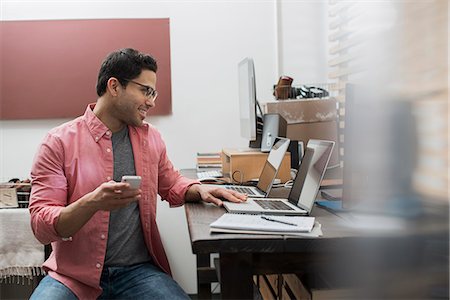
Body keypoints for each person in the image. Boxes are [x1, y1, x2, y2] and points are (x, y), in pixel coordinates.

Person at [28, 48, 247, 299]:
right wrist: (92, 203)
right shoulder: (57, 142)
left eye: (153, 93)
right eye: (145, 91)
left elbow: (170, 182)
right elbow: (41, 225)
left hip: (138, 272)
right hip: (72, 276)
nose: (151, 101)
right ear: (114, 86)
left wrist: (199, 189)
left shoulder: (150, 138)